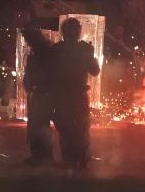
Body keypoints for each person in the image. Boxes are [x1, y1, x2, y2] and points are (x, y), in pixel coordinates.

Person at [48, 18, 101, 170]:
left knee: (67, 128)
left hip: (64, 95)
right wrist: (91, 58)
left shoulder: (57, 49)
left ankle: (71, 158)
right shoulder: (85, 49)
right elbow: (94, 71)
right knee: (80, 127)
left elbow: (50, 73)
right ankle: (80, 157)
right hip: (76, 94)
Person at [20, 27, 55, 165]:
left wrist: (35, 86)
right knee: (37, 124)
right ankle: (40, 154)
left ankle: (43, 154)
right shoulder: (39, 52)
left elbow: (43, 73)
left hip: (42, 93)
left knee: (39, 124)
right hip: (38, 92)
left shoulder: (42, 53)